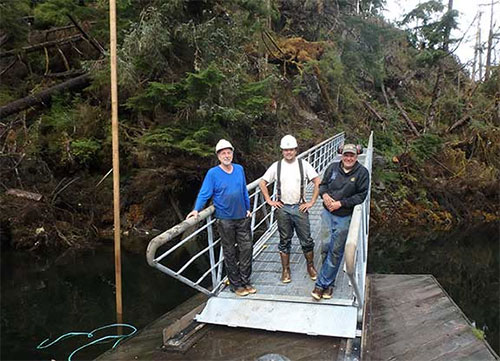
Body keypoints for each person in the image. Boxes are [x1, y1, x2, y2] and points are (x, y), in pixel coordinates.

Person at [186, 139, 255, 297]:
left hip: (242, 217)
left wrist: (248, 208)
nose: (226, 155)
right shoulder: (213, 173)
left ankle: (246, 281)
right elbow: (205, 193)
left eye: (228, 152)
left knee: (246, 249)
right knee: (230, 252)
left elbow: (243, 190)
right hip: (225, 219)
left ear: (232, 153)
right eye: (223, 153)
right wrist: (197, 209)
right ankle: (235, 284)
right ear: (218, 156)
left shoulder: (239, 169)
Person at [259, 135, 321, 283]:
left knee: (306, 239)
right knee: (284, 240)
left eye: (291, 150)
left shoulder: (303, 165)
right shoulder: (276, 166)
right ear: (282, 151)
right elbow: (262, 182)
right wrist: (269, 200)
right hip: (283, 208)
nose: (288, 152)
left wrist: (311, 202)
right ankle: (285, 270)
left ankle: (310, 266)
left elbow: (317, 181)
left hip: (300, 207)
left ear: (295, 150)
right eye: (286, 150)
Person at [311, 143, 369, 300]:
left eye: (352, 155)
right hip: (327, 213)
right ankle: (329, 282)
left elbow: (361, 196)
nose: (348, 158)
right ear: (341, 155)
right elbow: (322, 186)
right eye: (346, 155)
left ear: (356, 156)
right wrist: (325, 196)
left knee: (336, 251)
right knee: (325, 246)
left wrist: (341, 203)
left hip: (344, 216)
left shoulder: (362, 172)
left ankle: (322, 285)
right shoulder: (332, 168)